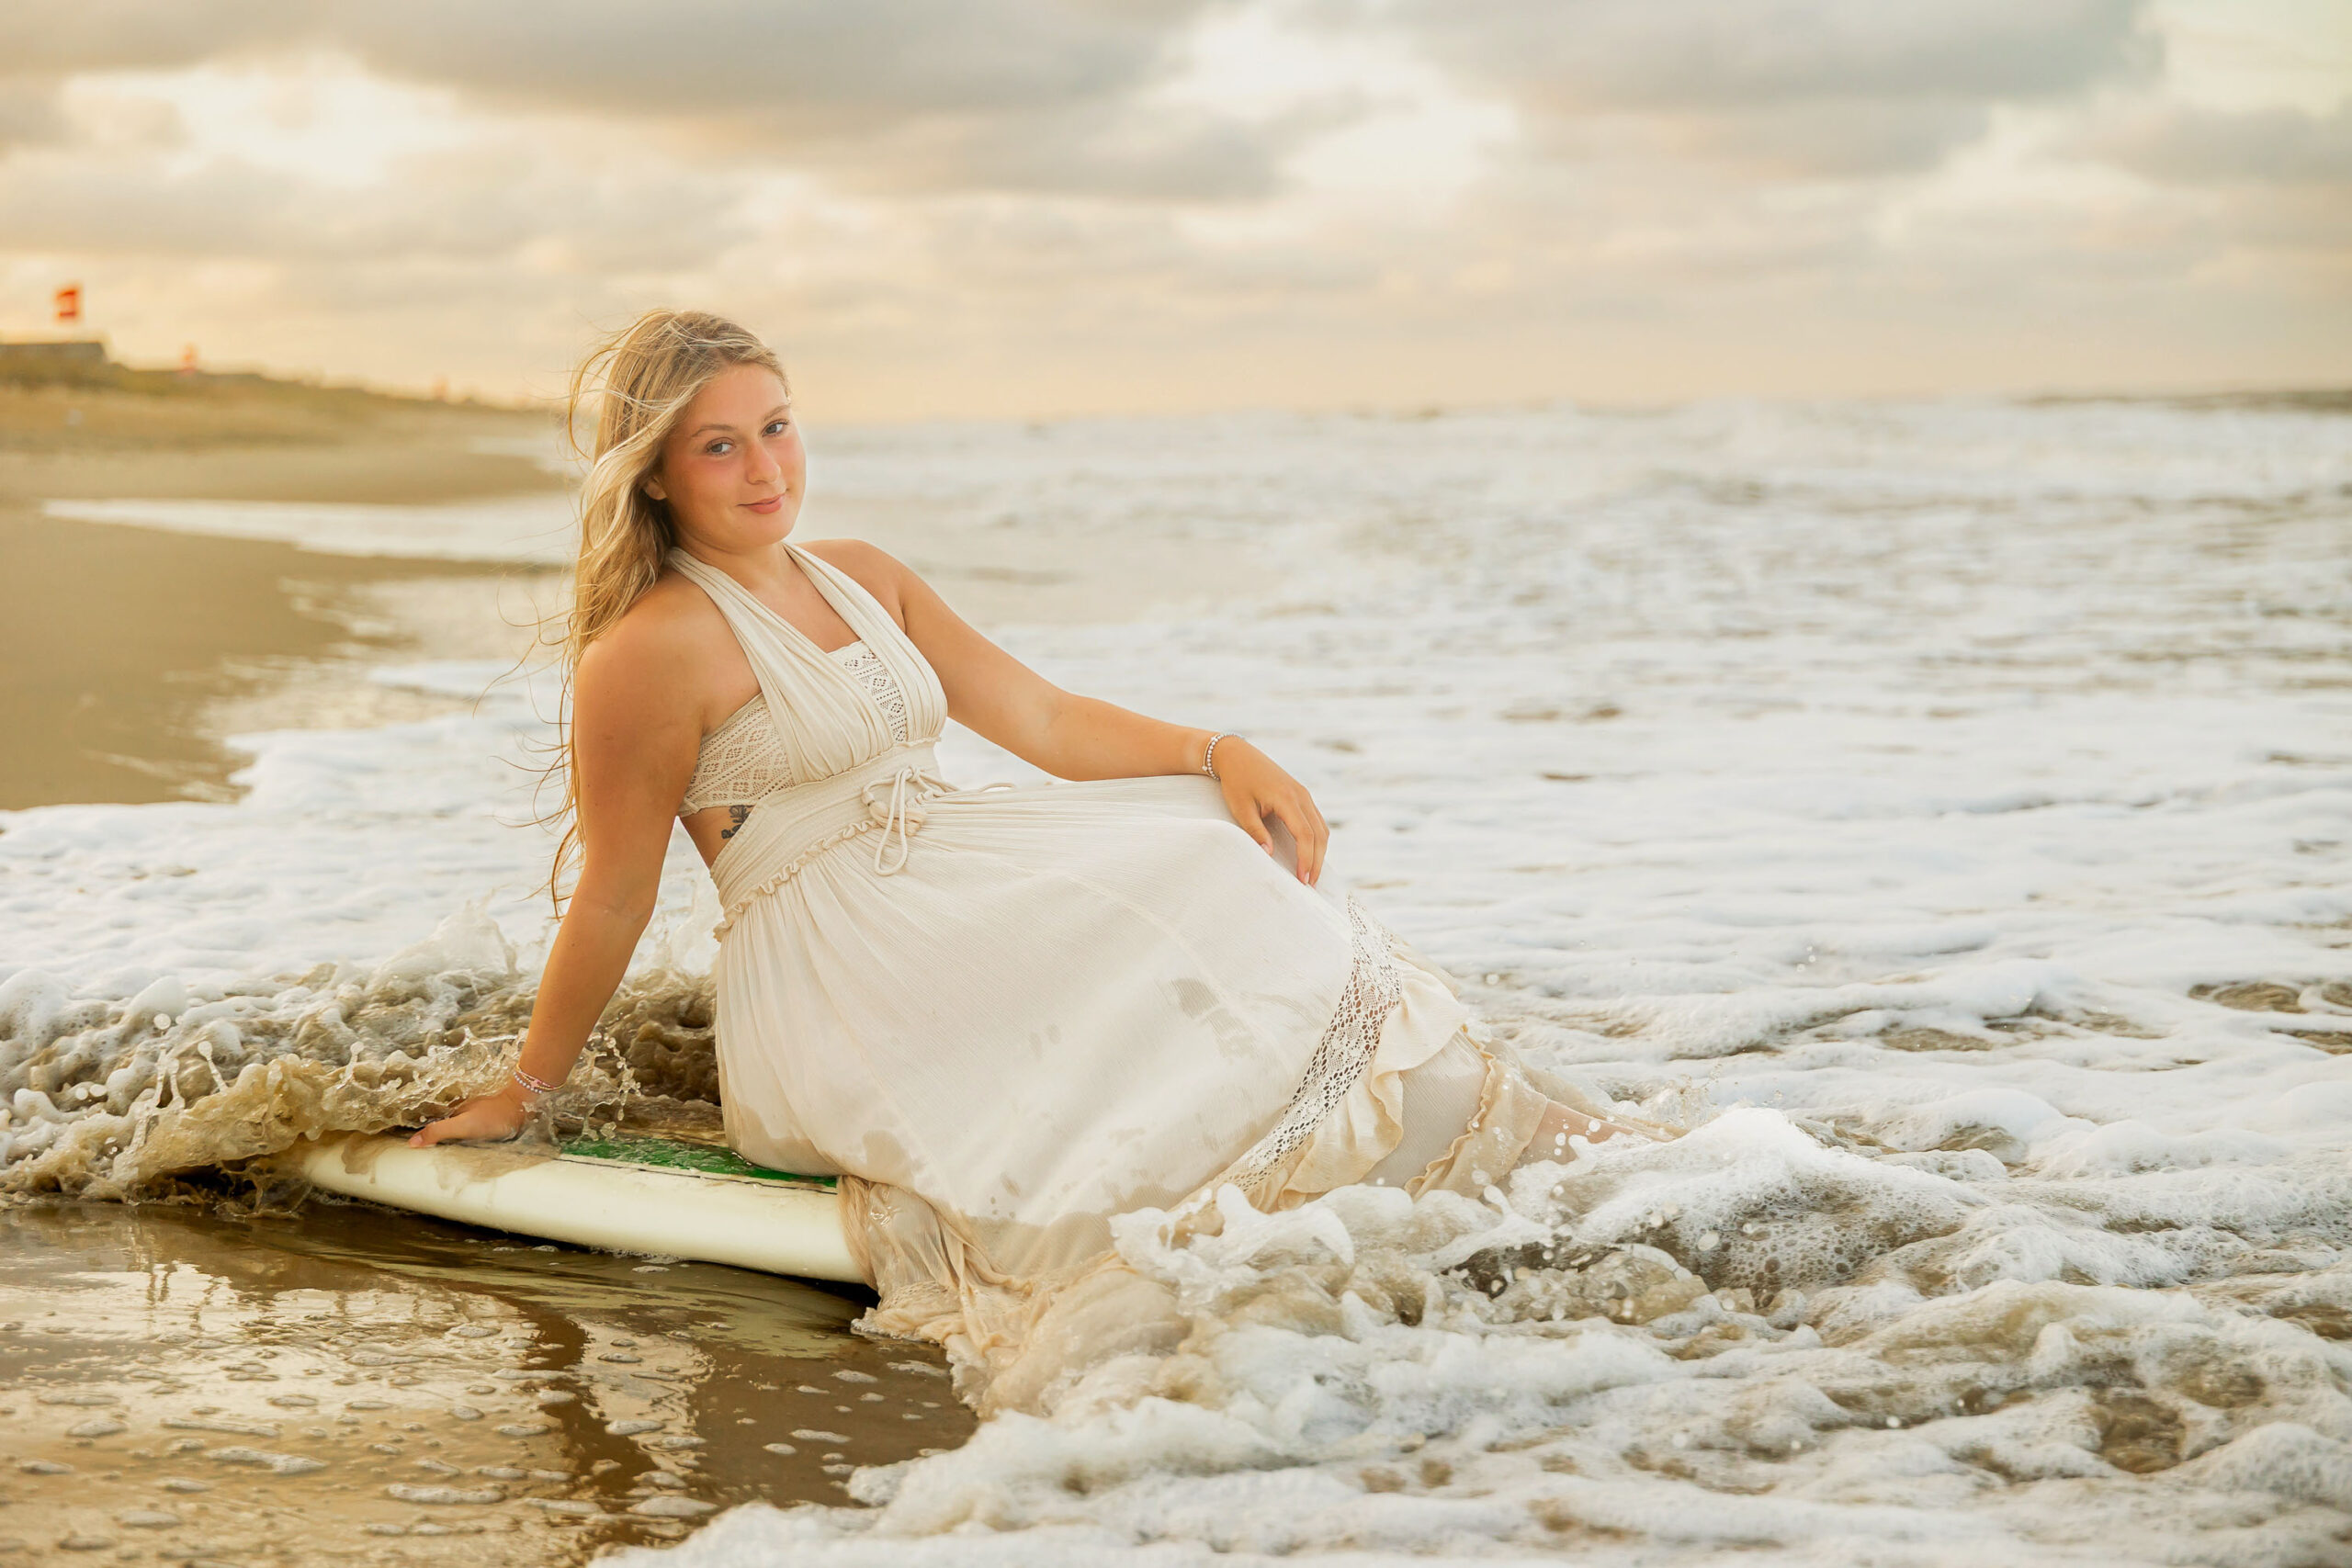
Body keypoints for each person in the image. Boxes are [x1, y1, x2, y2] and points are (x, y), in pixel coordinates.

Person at [410, 310, 1650, 1409]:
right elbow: (619, 888)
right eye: (720, 445)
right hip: (837, 967)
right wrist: (527, 1089)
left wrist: (1221, 748)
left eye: (777, 426)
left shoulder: (865, 577)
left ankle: (1458, 1160)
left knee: (1208, 837)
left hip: (947, 874)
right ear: (661, 477)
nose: (765, 466)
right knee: (1190, 891)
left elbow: (1043, 721)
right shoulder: (646, 653)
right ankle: (1326, 1193)